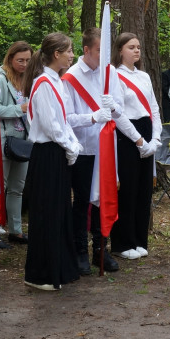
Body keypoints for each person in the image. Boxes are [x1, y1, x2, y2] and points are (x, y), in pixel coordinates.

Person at [62, 28, 131, 274]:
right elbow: (66, 118)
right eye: (100, 51)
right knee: (82, 202)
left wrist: (114, 108)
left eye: (107, 51)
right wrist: (92, 117)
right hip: (83, 149)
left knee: (104, 200)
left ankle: (101, 249)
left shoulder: (110, 73)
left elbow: (121, 110)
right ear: (87, 50)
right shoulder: (70, 77)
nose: (104, 56)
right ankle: (80, 250)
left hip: (106, 148)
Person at [22, 32, 84, 290]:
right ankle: (40, 274)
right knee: (46, 213)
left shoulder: (56, 81)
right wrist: (70, 146)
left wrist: (71, 143)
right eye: (69, 51)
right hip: (47, 153)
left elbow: (64, 119)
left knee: (59, 212)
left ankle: (60, 267)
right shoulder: (44, 84)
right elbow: (49, 125)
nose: (72, 55)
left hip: (57, 151)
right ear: (56, 54)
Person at [112, 32, 161, 260]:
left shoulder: (144, 76)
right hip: (128, 136)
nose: (137, 51)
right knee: (128, 190)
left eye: (138, 47)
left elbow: (154, 108)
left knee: (143, 190)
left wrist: (155, 139)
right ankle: (123, 242)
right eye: (131, 47)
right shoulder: (115, 76)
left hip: (148, 133)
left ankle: (140, 239)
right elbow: (117, 114)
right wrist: (139, 141)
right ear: (120, 50)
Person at [0, 41, 33, 244]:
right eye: (20, 60)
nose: (24, 64)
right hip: (5, 139)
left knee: (17, 188)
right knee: (0, 186)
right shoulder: (0, 80)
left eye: (28, 60)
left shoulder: (27, 79)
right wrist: (21, 108)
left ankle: (16, 230)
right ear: (10, 58)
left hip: (23, 141)